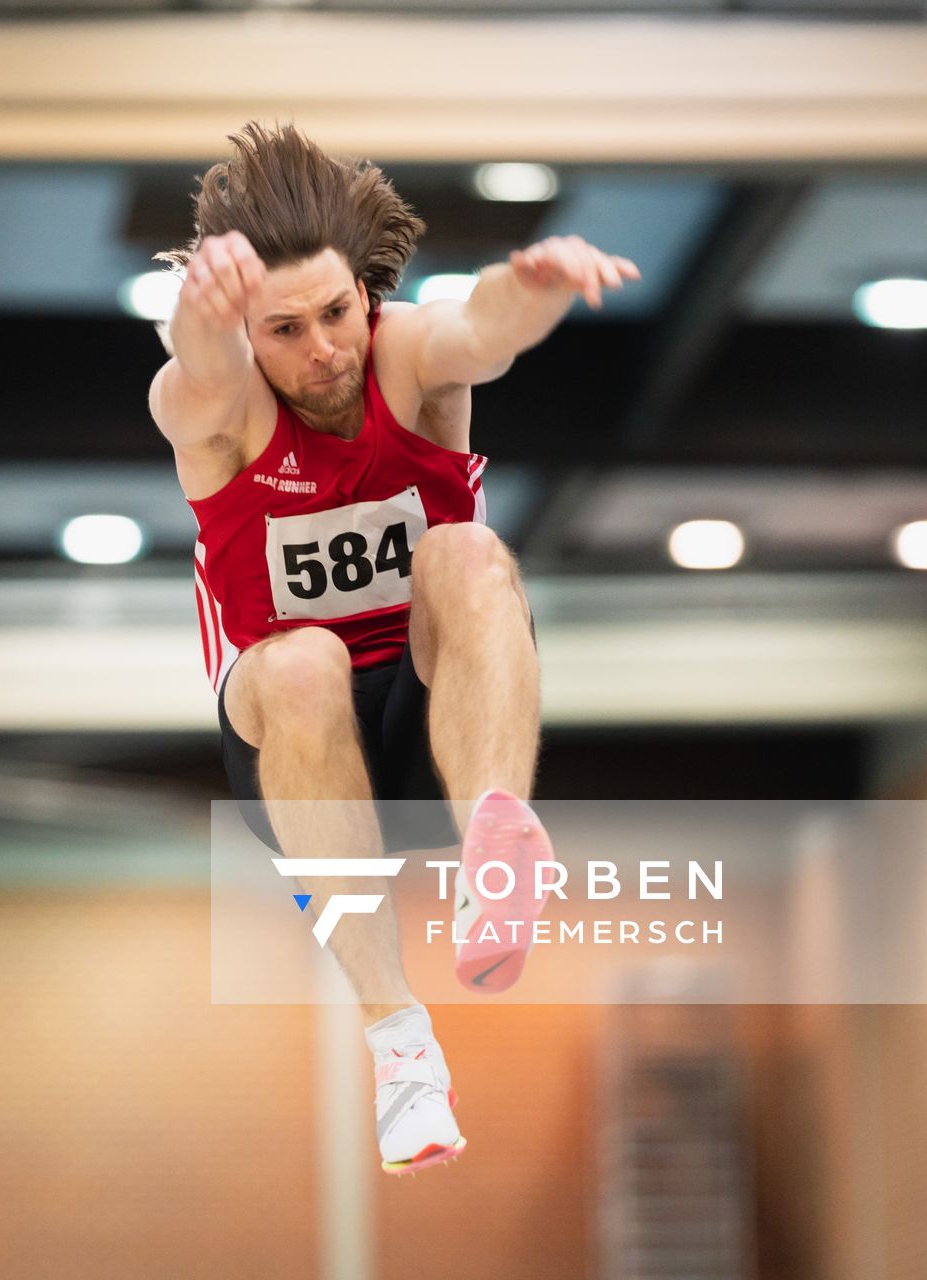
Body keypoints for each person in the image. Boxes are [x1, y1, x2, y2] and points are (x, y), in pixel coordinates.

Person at [146, 121, 638, 1175]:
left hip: (433, 724)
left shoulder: (405, 355)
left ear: (363, 289)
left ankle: (493, 849)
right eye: (286, 330)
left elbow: (482, 329)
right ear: (247, 333)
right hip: (297, 753)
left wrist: (539, 286)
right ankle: (399, 1043)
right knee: (303, 660)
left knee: (470, 553)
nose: (325, 348)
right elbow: (195, 371)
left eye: (336, 312)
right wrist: (201, 318)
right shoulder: (220, 409)